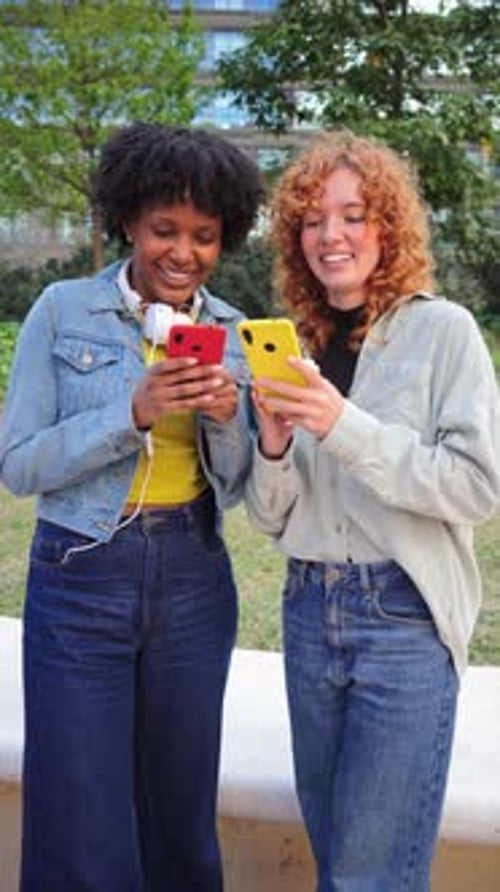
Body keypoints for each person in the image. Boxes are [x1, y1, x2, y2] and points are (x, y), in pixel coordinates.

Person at [0, 122, 264, 892]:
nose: (183, 253)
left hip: (192, 581)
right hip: (81, 576)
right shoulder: (63, 309)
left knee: (179, 813)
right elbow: (18, 464)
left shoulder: (231, 333)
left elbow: (241, 484)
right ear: (128, 222)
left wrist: (223, 421)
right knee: (81, 818)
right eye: (164, 230)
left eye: (205, 236)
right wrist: (133, 413)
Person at [244, 130, 500, 892]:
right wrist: (273, 443)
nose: (332, 236)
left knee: (368, 878)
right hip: (307, 612)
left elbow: (477, 487)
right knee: (338, 860)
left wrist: (340, 424)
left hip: (402, 620)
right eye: (314, 219)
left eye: (354, 215)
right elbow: (271, 518)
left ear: (388, 226)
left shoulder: (444, 332)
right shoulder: (298, 345)